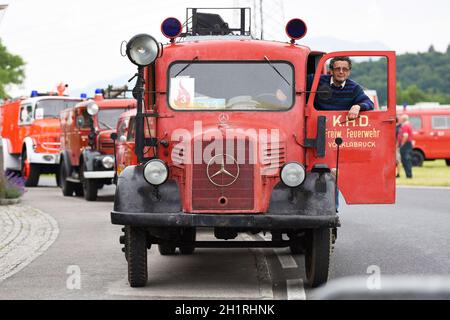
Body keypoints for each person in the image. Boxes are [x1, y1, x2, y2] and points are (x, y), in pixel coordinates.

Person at [308, 56, 374, 118]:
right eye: (337, 69)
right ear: (331, 70)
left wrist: (358, 106)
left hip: (340, 127)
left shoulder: (354, 88)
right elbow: (299, 82)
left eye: (345, 69)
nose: (341, 72)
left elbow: (369, 103)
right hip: (318, 124)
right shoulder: (316, 80)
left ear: (349, 72)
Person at [398, 114, 413, 178]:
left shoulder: (405, 126)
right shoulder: (408, 125)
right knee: (407, 159)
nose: (400, 120)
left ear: (403, 119)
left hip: (406, 144)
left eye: (401, 119)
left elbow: (405, 136)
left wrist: (402, 144)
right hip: (408, 144)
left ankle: (408, 175)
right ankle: (408, 174)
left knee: (406, 159)